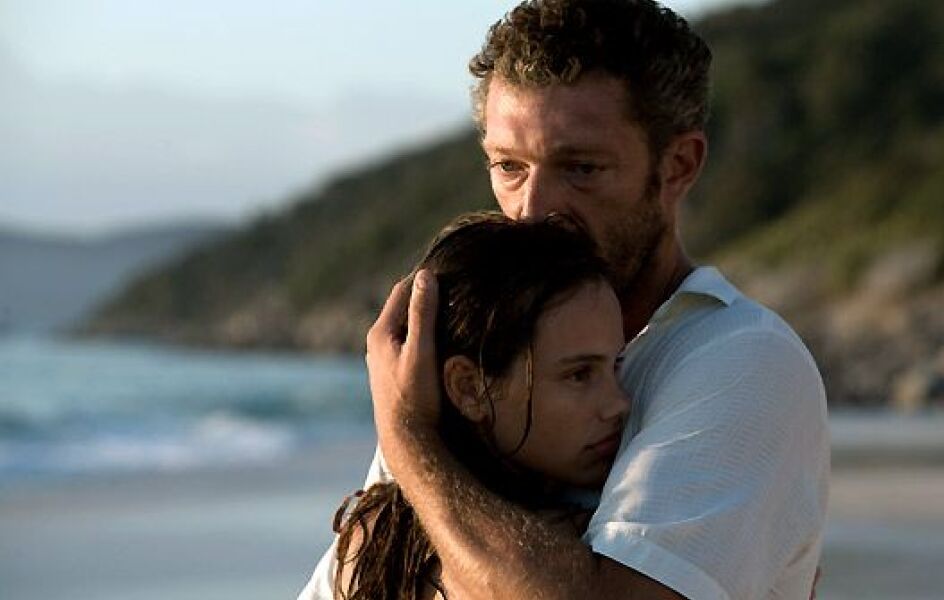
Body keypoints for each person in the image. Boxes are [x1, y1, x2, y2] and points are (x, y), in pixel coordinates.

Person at [301, 0, 828, 598]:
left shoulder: (740, 360)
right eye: (509, 167)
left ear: (678, 166)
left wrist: (409, 440)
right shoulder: (475, 350)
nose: (534, 211)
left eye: (581, 168)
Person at [313, 212, 629, 599]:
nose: (618, 404)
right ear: (470, 388)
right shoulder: (382, 544)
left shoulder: (380, 535)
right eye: (579, 375)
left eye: (617, 365)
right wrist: (407, 431)